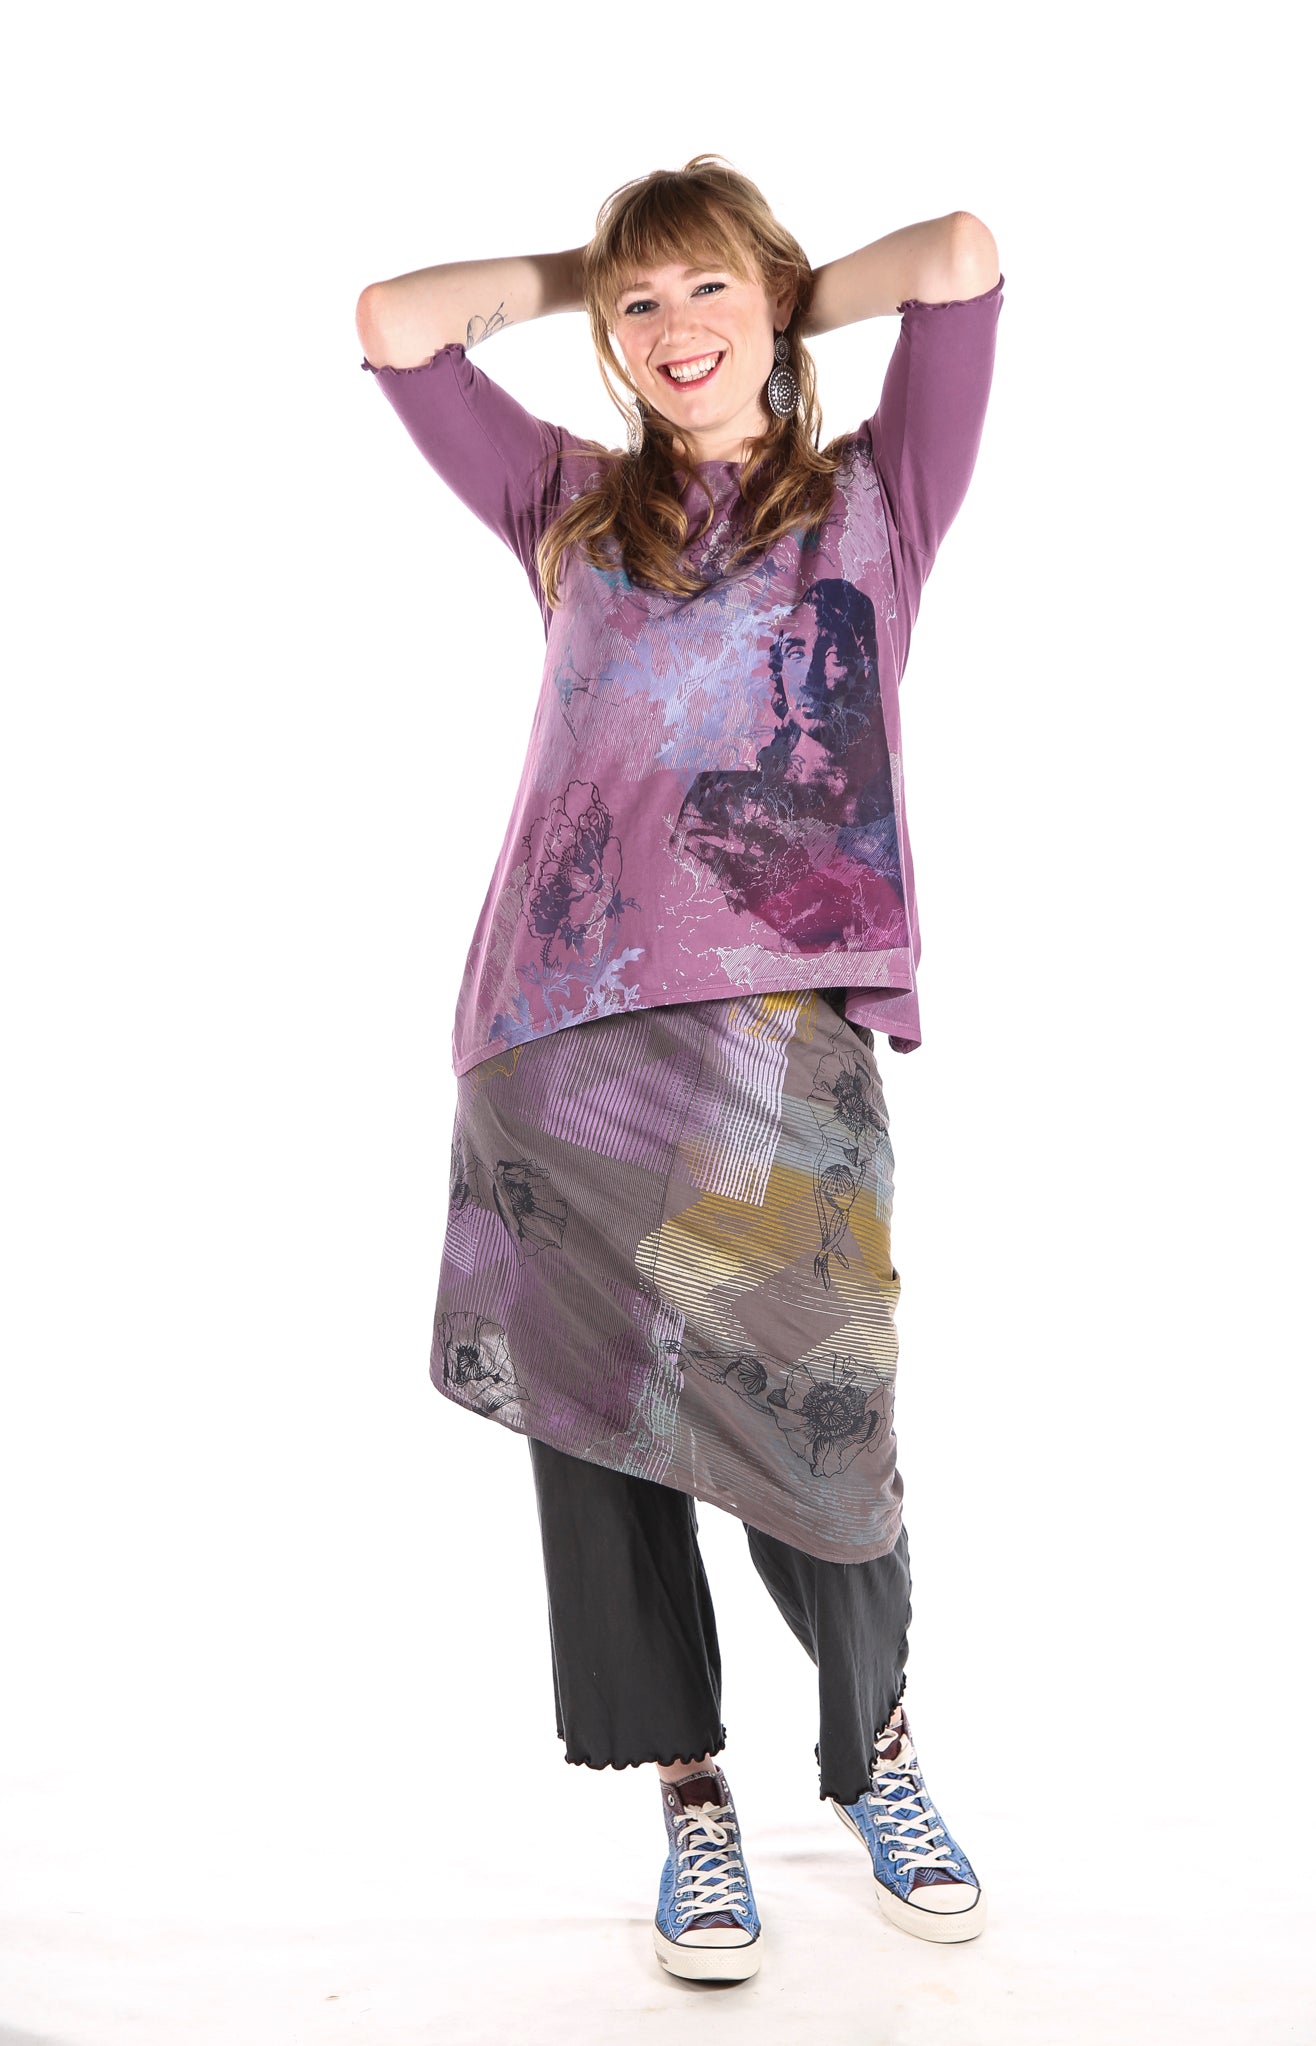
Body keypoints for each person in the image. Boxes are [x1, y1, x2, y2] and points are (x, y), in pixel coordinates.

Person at [355, 155, 1003, 1986]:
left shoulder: (876, 498)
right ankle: (689, 1793)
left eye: (707, 289)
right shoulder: (564, 503)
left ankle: (878, 1754)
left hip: (781, 1044)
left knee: (828, 1414)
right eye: (641, 308)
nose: (672, 329)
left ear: (772, 299)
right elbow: (395, 326)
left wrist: (760, 289)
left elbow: (962, 259)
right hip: (555, 1043)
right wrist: (602, 274)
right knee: (602, 1430)